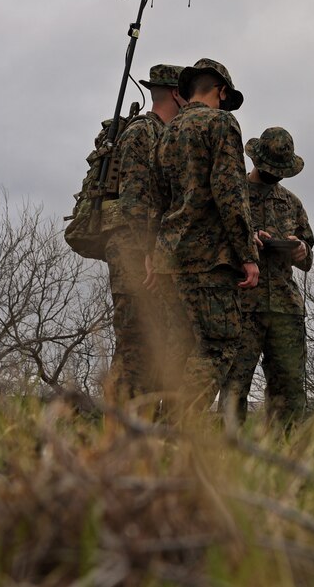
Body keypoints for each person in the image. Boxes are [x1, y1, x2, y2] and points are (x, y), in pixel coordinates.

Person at [148, 58, 259, 411]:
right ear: (221, 90)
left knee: (178, 347)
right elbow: (230, 193)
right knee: (217, 344)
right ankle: (183, 430)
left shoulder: (168, 132)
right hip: (209, 260)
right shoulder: (221, 123)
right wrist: (247, 255)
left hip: (168, 258)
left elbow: (158, 199)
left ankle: (163, 434)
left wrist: (153, 252)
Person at [220, 127, 314, 427]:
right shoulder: (233, 198)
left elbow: (307, 253)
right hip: (242, 306)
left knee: (290, 391)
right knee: (234, 387)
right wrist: (247, 243)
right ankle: (228, 455)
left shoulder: (291, 203)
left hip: (285, 308)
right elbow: (213, 245)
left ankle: (286, 458)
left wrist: (299, 250)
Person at [105, 63, 185, 396]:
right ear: (178, 95)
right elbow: (134, 202)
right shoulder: (144, 132)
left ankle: (141, 430)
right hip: (136, 251)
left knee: (154, 344)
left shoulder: (165, 134)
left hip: (150, 251)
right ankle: (117, 432)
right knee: (135, 344)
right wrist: (150, 251)